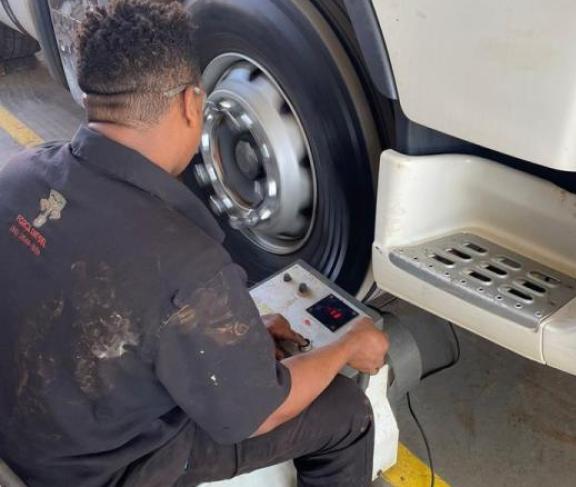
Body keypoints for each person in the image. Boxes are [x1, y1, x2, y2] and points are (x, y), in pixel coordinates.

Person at [0, 1, 389, 486]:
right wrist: (347, 347)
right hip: (97, 472)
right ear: (191, 103)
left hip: (24, 430)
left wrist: (235, 340)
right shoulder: (187, 265)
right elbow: (258, 414)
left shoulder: (19, 174)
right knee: (346, 412)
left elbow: (95, 305)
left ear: (90, 96)